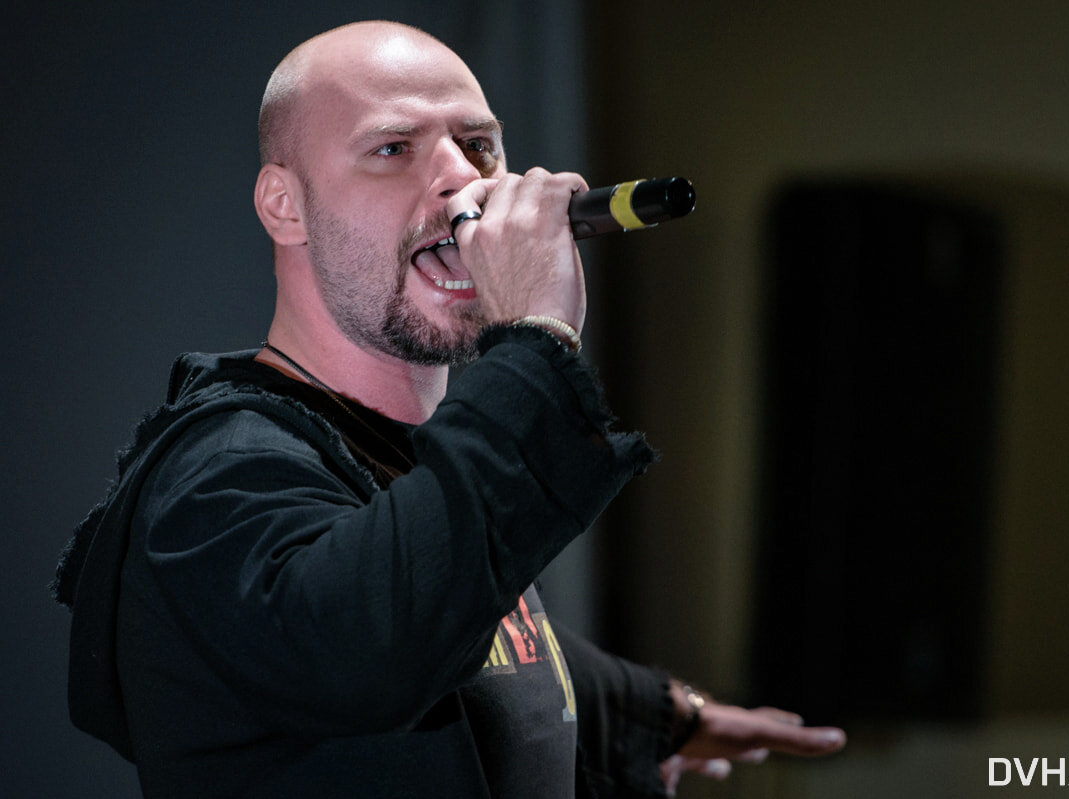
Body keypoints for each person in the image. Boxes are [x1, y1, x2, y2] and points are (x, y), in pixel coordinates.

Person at [53, 20, 846, 798]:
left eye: (478, 145)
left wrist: (656, 713)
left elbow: (484, 642)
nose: (463, 178)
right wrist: (536, 338)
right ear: (284, 205)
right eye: (393, 148)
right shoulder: (219, 477)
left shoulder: (414, 469)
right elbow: (374, 641)